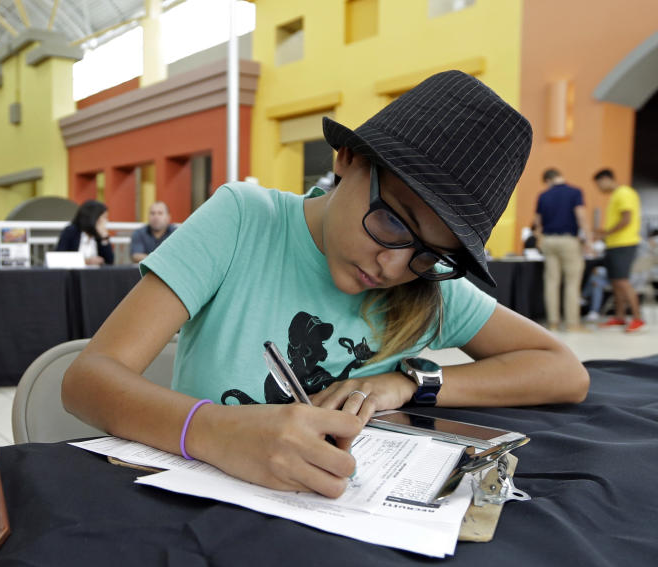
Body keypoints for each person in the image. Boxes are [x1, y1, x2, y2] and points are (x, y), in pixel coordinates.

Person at [62, 71, 589, 499]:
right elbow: (87, 380)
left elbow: (564, 371)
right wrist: (214, 430)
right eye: (392, 222)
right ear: (348, 160)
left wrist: (407, 384)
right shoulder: (245, 222)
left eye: (430, 253)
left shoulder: (425, 286)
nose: (392, 266)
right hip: (204, 506)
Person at [532, 168, 590, 331]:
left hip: (548, 241)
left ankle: (553, 323)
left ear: (548, 180)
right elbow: (581, 217)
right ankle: (572, 323)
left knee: (551, 282)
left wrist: (538, 239)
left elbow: (537, 222)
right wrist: (589, 241)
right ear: (560, 176)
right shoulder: (575, 192)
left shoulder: (543, 195)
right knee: (572, 282)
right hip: (568, 240)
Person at [593, 169, 644, 333]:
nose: (599, 188)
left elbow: (626, 219)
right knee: (615, 281)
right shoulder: (616, 195)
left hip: (624, 243)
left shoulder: (624, 193)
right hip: (614, 244)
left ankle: (637, 318)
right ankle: (620, 316)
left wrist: (606, 233)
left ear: (606, 179)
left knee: (622, 281)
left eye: (598, 184)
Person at [56, 200, 114, 265]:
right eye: (104, 217)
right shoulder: (71, 231)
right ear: (94, 217)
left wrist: (104, 237)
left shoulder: (98, 237)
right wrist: (85, 261)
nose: (106, 221)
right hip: (74, 274)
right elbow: (59, 257)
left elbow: (110, 262)